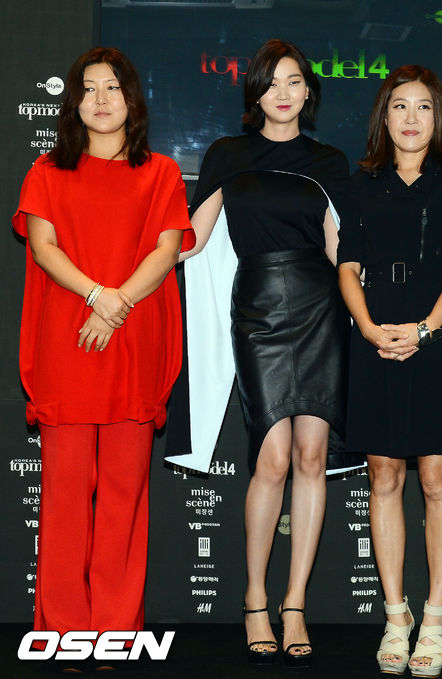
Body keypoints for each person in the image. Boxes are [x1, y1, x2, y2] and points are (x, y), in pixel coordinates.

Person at [175, 38, 363, 668]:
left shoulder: (329, 161)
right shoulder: (227, 155)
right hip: (257, 307)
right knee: (273, 457)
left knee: (312, 456)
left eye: (293, 81)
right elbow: (193, 238)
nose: (282, 93)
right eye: (270, 82)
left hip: (320, 308)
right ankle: (255, 598)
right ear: (254, 92)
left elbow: (341, 249)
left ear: (309, 91)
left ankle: (294, 604)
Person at [12, 47, 194, 667]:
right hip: (67, 345)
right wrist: (97, 296)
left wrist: (116, 305)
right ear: (74, 103)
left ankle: (115, 629)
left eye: (112, 87)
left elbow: (166, 250)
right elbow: (43, 246)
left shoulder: (161, 172)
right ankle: (64, 631)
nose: (100, 99)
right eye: (88, 88)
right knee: (65, 497)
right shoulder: (47, 171)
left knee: (124, 497)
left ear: (132, 99)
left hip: (133, 344)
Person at [338, 64, 442, 677]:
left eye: (423, 106)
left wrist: (425, 330)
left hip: (437, 336)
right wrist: (371, 329)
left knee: (437, 479)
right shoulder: (361, 183)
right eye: (400, 105)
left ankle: (436, 616)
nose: (412, 117)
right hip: (375, 335)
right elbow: (347, 266)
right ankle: (396, 617)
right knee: (385, 476)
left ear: (437, 115)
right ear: (384, 115)